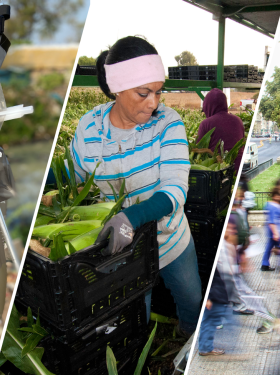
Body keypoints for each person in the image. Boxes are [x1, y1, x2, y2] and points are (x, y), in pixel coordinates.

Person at [67, 36, 201, 335]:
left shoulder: (168, 123)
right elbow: (73, 175)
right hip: (121, 250)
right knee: (135, 311)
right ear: (116, 88)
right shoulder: (89, 128)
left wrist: (132, 217)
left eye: (158, 92)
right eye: (143, 93)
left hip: (170, 237)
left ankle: (189, 348)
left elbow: (175, 189)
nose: (153, 103)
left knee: (191, 300)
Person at [198, 222, 240, 356]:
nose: (232, 231)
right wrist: (209, 297)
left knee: (211, 320)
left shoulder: (227, 246)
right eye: (229, 228)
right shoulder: (221, 248)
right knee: (210, 321)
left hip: (221, 291)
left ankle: (205, 347)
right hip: (216, 292)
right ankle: (205, 348)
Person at [196, 88, 245, 173]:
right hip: (238, 169)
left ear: (208, 106)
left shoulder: (206, 124)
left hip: (219, 173)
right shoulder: (238, 121)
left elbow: (198, 149)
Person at [261, 185, 280, 271]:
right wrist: (276, 233)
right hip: (276, 231)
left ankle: (265, 264)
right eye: (279, 195)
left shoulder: (272, 205)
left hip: (276, 231)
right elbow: (272, 221)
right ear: (275, 196)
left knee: (269, 247)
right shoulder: (273, 206)